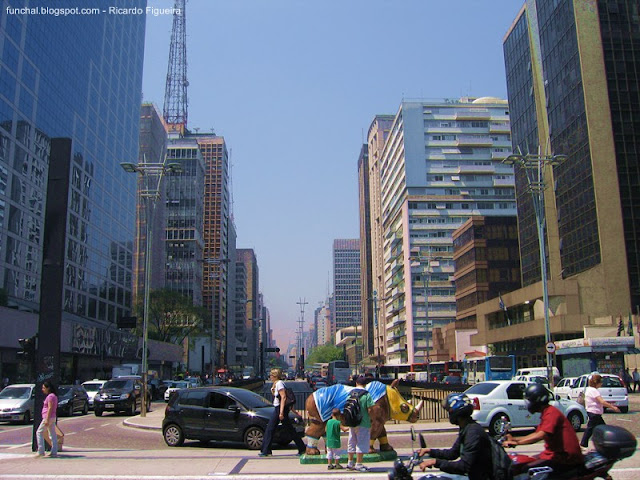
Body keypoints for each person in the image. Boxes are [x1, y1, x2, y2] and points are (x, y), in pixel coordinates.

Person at [503, 383, 583, 473]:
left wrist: (516, 443)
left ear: (537, 400)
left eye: (529, 401)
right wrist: (514, 439)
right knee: (523, 461)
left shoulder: (551, 413)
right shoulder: (546, 412)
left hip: (566, 459)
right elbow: (536, 434)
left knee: (527, 469)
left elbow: (539, 436)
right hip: (555, 455)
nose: (528, 404)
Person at [418, 393, 491, 480]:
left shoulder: (473, 433)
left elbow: (464, 466)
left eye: (449, 411)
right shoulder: (467, 428)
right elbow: (452, 453)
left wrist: (436, 462)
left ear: (455, 412)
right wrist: (429, 451)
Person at [259, 368, 306, 457]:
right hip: (280, 408)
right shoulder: (276, 384)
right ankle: (302, 448)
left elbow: (284, 397)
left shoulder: (280, 384)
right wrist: (294, 411)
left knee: (270, 429)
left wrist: (281, 413)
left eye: (271, 375)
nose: (270, 377)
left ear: (275, 376)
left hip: (280, 409)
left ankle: (266, 450)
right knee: (289, 429)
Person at [580, 373, 620, 448]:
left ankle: (601, 442)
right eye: (600, 382)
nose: (601, 384)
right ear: (596, 383)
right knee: (593, 429)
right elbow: (602, 401)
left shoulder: (589, 389)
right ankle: (584, 444)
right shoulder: (594, 391)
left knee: (599, 428)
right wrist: (613, 407)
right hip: (594, 412)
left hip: (593, 412)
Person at [346, 375, 374, 472]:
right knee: (361, 443)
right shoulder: (366, 395)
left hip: (352, 422)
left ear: (356, 383)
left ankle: (350, 463)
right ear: (365, 384)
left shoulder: (350, 393)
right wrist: (371, 419)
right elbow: (370, 409)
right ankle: (359, 464)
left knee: (351, 442)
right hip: (363, 422)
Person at [35, 380, 58, 458]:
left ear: (48, 388)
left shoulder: (50, 396)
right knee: (52, 434)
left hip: (48, 417)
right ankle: (54, 451)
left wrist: (47, 419)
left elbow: (50, 407)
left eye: (44, 388)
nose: (42, 389)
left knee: (39, 432)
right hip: (52, 417)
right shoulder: (54, 396)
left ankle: (41, 451)